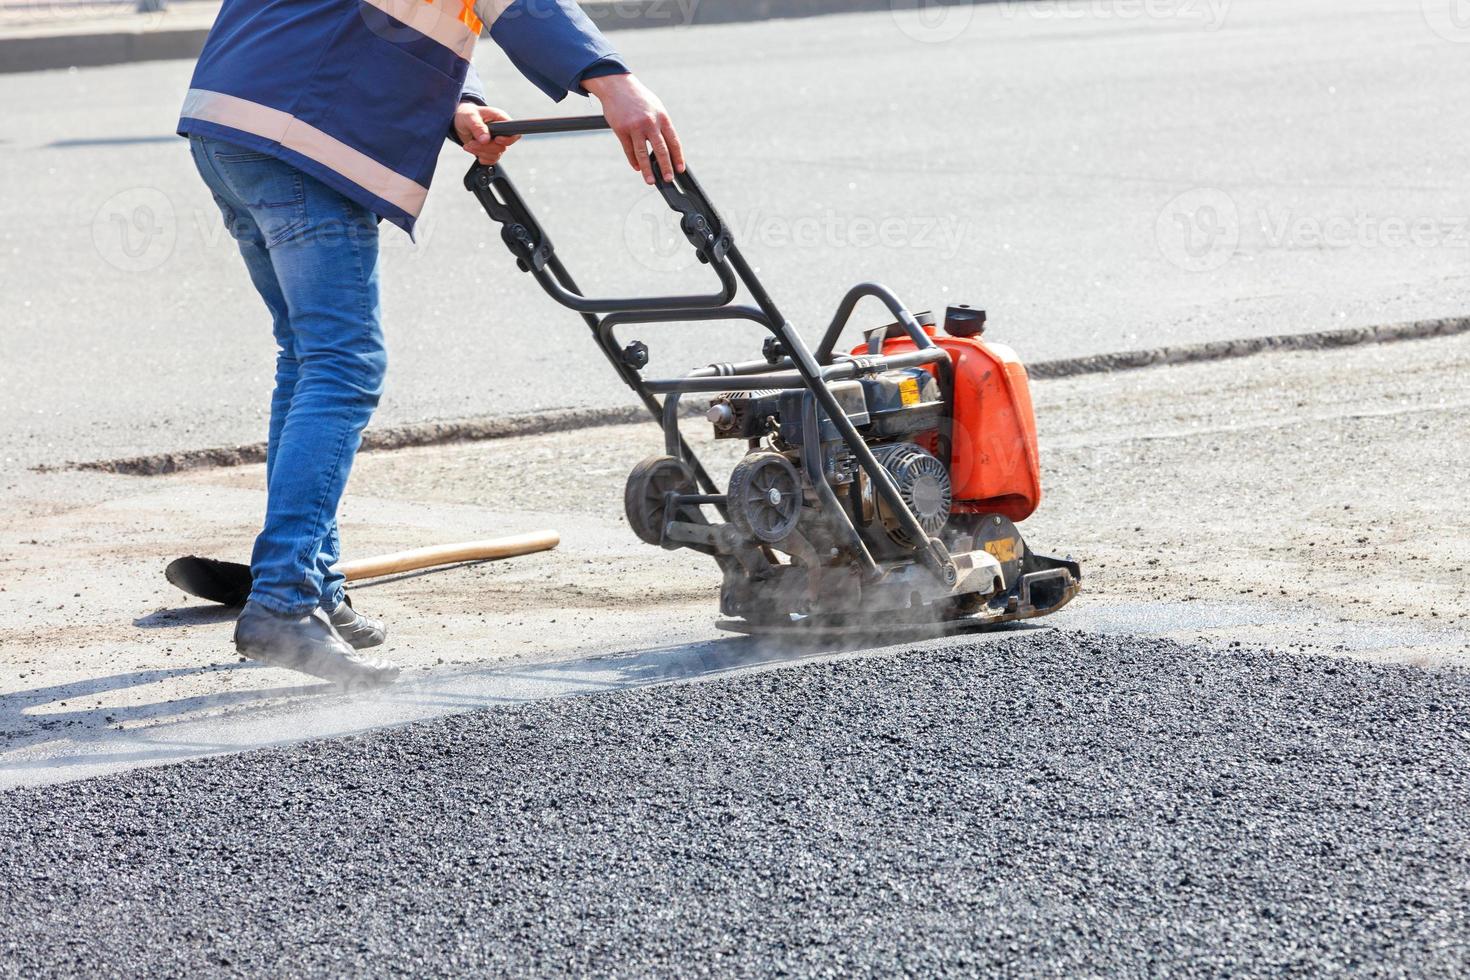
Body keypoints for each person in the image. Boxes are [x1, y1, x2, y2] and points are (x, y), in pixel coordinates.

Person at [178, 0, 684, 684]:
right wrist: (612, 79)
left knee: (308, 356)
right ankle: (283, 602)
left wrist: (460, 99)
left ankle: (313, 582)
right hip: (297, 133)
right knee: (343, 364)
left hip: (233, 119)